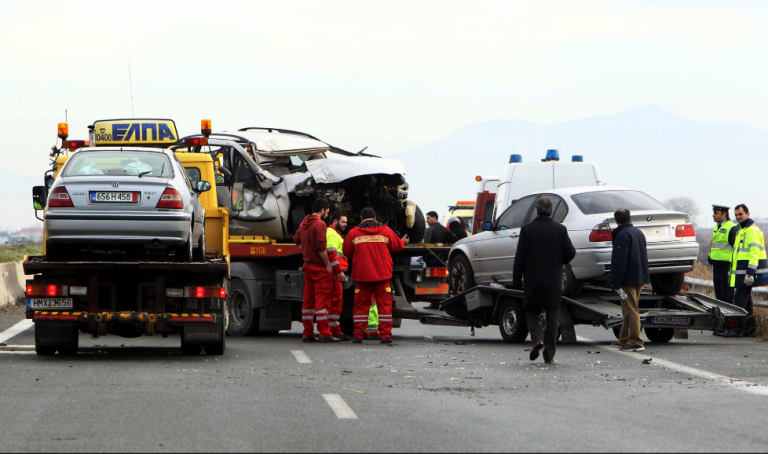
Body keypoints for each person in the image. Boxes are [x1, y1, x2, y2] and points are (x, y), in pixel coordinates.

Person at [511, 198, 576, 364]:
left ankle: (537, 339)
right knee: (553, 316)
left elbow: (520, 257)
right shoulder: (560, 229)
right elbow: (570, 252)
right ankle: (549, 355)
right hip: (553, 279)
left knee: (531, 311)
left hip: (533, 279)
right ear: (552, 211)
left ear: (536, 211)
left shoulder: (527, 230)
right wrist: (558, 260)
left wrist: (516, 280)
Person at [343, 207, 408, 343]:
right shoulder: (385, 231)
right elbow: (397, 247)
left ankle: (358, 336)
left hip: (362, 276)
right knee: (384, 306)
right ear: (375, 219)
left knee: (360, 306)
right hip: (382, 276)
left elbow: (347, 252)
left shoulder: (354, 233)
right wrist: (402, 241)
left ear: (361, 218)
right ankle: (385, 336)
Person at [293, 199, 346, 343]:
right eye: (327, 212)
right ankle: (324, 333)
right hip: (320, 269)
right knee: (322, 302)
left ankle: (308, 332)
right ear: (322, 210)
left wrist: (306, 251)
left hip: (308, 267)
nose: (327, 215)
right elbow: (322, 247)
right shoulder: (320, 224)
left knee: (308, 303)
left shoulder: (305, 222)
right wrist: (327, 264)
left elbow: (296, 239)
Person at [607, 209, 650, 352]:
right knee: (628, 309)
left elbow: (620, 261)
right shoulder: (639, 233)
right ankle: (623, 340)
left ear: (616, 220)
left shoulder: (622, 235)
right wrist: (643, 279)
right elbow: (643, 257)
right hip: (638, 278)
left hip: (627, 281)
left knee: (631, 310)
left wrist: (615, 282)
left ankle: (636, 341)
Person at [723, 204, 767, 337]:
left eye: (740, 214)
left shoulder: (751, 231)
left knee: (739, 299)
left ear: (748, 214)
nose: (738, 217)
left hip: (747, 273)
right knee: (746, 300)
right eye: (736, 215)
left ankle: (737, 329)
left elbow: (754, 253)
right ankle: (749, 328)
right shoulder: (742, 230)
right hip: (742, 273)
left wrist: (750, 273)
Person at [326, 212, 352, 341]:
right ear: (335, 221)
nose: (345, 225)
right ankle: (333, 331)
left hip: (335, 272)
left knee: (336, 302)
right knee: (334, 301)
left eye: (346, 222)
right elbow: (332, 254)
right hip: (334, 273)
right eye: (343, 222)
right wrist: (339, 271)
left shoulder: (335, 234)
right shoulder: (331, 234)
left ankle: (334, 331)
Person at [708, 204, 738, 305]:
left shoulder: (732, 228)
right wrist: (710, 257)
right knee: (719, 297)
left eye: (716, 213)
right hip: (716, 266)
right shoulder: (717, 227)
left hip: (726, 267)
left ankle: (729, 319)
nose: (713, 215)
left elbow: (736, 249)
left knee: (727, 297)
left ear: (724, 214)